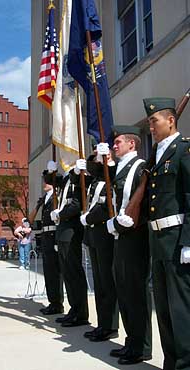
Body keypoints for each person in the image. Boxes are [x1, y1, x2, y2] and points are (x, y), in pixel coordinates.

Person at [142, 97, 190, 370]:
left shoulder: (184, 150)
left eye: (153, 121)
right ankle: (171, 363)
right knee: (163, 309)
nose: (150, 126)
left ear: (170, 120)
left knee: (181, 309)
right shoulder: (157, 154)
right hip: (157, 241)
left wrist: (188, 242)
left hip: (176, 240)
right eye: (149, 122)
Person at [106, 126, 152, 365]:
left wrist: (126, 223)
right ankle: (132, 341)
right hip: (121, 235)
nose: (115, 145)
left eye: (118, 142)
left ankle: (142, 347)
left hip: (135, 236)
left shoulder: (140, 166)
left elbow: (144, 202)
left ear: (132, 144)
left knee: (136, 292)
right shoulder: (120, 168)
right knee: (123, 291)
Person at [76, 148, 119, 342]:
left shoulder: (112, 175)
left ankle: (110, 326)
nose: (94, 162)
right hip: (93, 234)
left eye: (97, 157)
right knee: (99, 283)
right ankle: (102, 324)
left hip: (104, 234)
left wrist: (88, 218)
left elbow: (106, 206)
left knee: (107, 282)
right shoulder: (95, 181)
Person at [47, 160, 89, 327]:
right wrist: (51, 172)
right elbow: (50, 181)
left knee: (73, 272)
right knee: (67, 273)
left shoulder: (77, 178)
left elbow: (78, 204)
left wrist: (60, 214)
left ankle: (80, 313)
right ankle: (74, 309)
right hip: (63, 229)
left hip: (71, 228)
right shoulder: (66, 178)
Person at [39, 171, 64, 315]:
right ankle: (52, 301)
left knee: (55, 272)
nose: (44, 183)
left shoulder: (56, 196)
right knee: (48, 271)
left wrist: (55, 241)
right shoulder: (46, 198)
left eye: (47, 181)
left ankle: (57, 303)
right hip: (45, 235)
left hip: (53, 235)